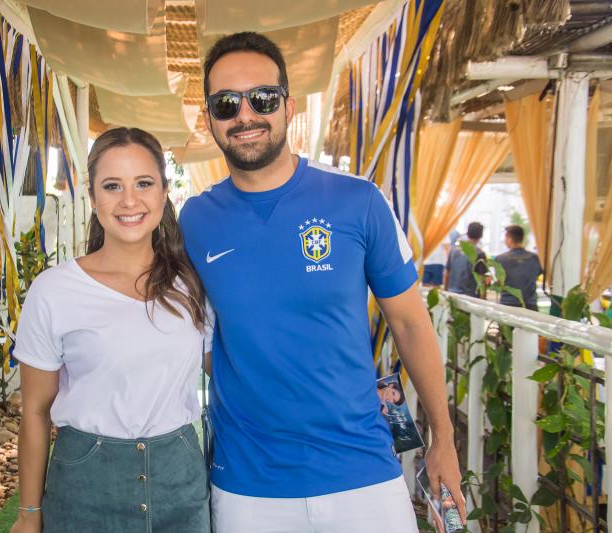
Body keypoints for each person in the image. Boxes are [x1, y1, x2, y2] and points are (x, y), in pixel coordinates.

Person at [179, 32, 464, 532]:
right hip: (248, 485)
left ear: (289, 107)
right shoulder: (195, 220)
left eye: (262, 98)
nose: (245, 115)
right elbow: (192, 332)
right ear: (209, 119)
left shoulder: (358, 201)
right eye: (226, 104)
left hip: (363, 474)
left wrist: (442, 440)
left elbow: (410, 325)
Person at [11, 127, 212, 533]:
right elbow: (35, 411)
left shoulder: (191, 285)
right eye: (112, 186)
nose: (129, 200)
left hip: (181, 485)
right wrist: (28, 513)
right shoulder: (54, 291)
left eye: (143, 183)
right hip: (85, 486)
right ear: (93, 196)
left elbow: (228, 374)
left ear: (164, 192)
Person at [494, 224, 541, 311]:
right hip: (530, 306)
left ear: (510, 239)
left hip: (508, 306)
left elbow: (499, 281)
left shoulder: (500, 259)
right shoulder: (535, 258)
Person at [444, 222, 488, 297]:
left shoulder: (454, 250)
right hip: (470, 296)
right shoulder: (480, 253)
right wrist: (483, 297)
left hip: (452, 293)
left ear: (467, 234)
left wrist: (446, 290)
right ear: (481, 236)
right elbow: (482, 278)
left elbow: (447, 272)